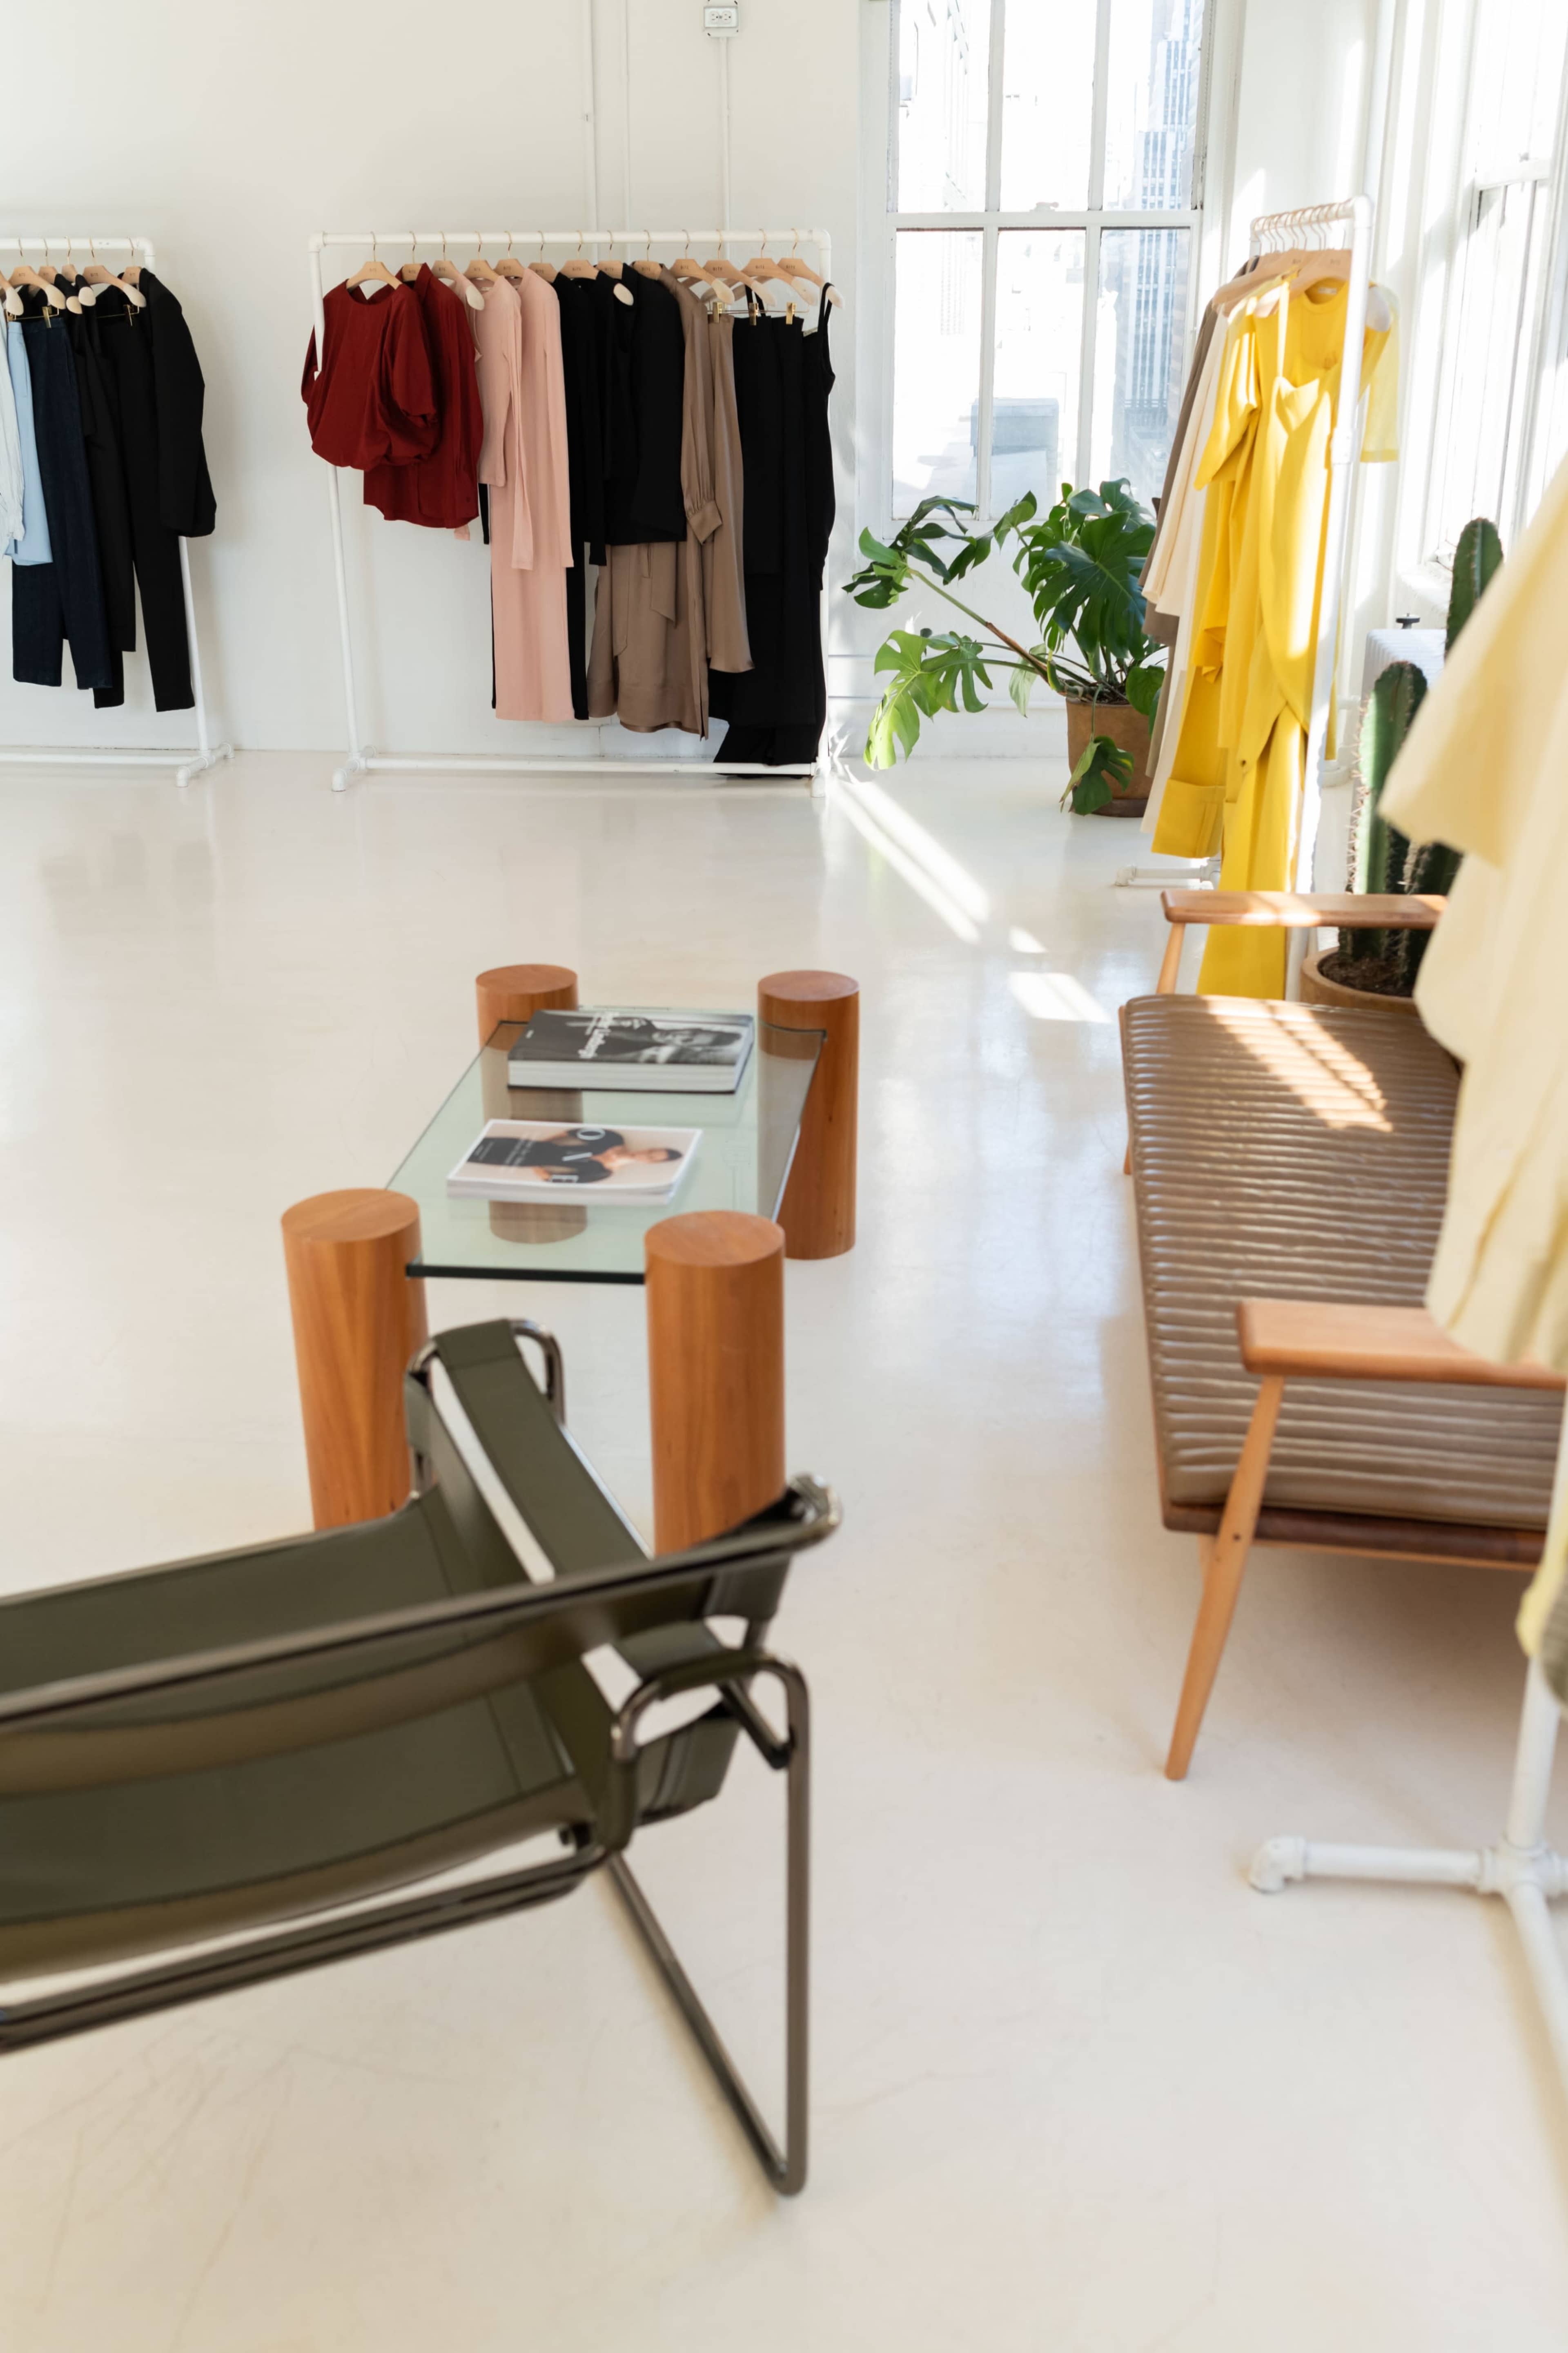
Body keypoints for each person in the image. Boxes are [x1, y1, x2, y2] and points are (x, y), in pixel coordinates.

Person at [469, 1126, 684, 1187]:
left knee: (472, 1158)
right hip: (524, 1145)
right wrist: (541, 1145)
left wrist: (533, 1162)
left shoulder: (602, 1173)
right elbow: (571, 1133)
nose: (647, 1155)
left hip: (520, 1161)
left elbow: (552, 1179)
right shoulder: (613, 1139)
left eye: (653, 1158)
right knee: (472, 1141)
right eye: (652, 1151)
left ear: (649, 1164)